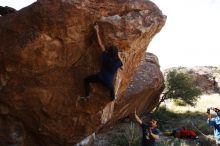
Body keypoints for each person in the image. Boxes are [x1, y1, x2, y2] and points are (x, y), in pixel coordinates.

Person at [83, 24, 123, 101]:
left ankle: (87, 95)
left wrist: (97, 31)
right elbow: (122, 67)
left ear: (108, 52)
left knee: (86, 80)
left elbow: (100, 45)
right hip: (108, 83)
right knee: (112, 89)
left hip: (99, 78)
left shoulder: (105, 56)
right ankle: (113, 98)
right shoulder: (118, 62)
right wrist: (119, 57)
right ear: (116, 53)